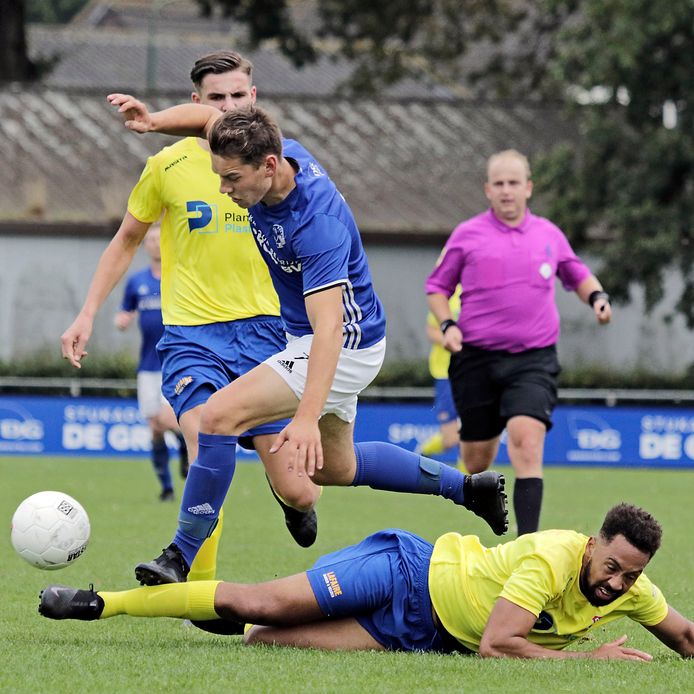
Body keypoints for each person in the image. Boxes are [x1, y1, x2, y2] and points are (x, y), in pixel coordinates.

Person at [103, 95, 509, 586]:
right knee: (337, 468)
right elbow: (211, 119)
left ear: (268, 167)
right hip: (320, 340)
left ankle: (179, 556)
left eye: (231, 179)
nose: (223, 189)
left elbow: (330, 330)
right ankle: (469, 489)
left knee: (216, 417)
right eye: (219, 176)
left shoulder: (316, 227)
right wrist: (153, 123)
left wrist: (304, 418)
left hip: (341, 347)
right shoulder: (269, 148)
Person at [60, 52, 322, 584]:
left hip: (270, 335)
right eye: (216, 98)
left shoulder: (280, 166)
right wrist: (88, 312)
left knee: (300, 487)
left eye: (238, 96)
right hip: (194, 335)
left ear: (255, 98)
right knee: (203, 434)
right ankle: (196, 588)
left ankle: (292, 501)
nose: (228, 106)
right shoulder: (167, 167)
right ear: (196, 104)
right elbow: (126, 241)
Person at [39, 502, 694, 660]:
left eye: (629, 576)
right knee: (261, 601)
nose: (615, 584)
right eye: (611, 567)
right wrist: (592, 664)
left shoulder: (632, 591)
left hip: (419, 634)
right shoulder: (553, 558)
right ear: (593, 544)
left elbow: (684, 635)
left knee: (266, 637)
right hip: (407, 571)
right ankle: (103, 603)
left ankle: (201, 601)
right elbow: (499, 643)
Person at [426, 149, 612, 536]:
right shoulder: (467, 235)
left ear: (528, 188)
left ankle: (528, 547)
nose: (507, 191)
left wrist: (597, 297)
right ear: (488, 190)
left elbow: (576, 272)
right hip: (475, 359)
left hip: (533, 360)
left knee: (527, 444)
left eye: (514, 183)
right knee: (476, 460)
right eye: (499, 184)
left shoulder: (548, 234)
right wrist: (447, 324)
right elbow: (437, 287)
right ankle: (488, 497)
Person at [115, 224, 188, 500]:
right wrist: (122, 321)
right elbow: (125, 311)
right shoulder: (137, 281)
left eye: (160, 239)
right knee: (155, 427)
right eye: (151, 240)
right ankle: (167, 488)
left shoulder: (178, 277)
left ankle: (183, 443)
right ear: (145, 245)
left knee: (164, 418)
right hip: (147, 365)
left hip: (175, 361)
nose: (156, 244)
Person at [417, 287, 464, 468]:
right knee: (450, 438)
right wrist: (453, 341)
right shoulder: (448, 296)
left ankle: (468, 483)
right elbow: (431, 331)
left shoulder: (484, 288)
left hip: (473, 372)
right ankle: (423, 453)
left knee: (472, 431)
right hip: (446, 373)